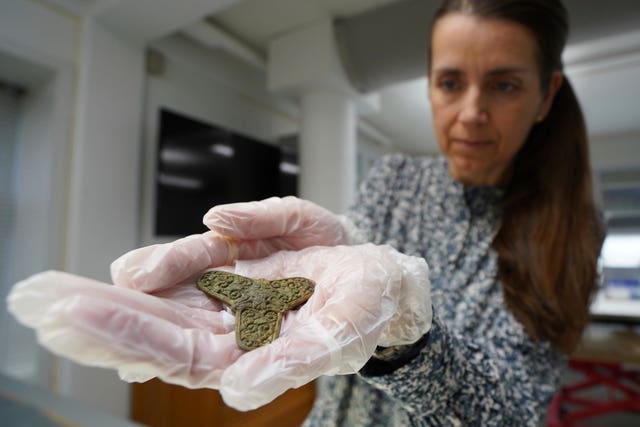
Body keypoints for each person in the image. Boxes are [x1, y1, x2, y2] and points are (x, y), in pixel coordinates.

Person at [8, 0, 604, 425]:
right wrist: (338, 244)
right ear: (429, 87)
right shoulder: (395, 176)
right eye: (451, 82)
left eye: (503, 86)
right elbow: (349, 260)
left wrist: (407, 340)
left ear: (546, 95)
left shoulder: (571, 239)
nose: (471, 112)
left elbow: (514, 413)